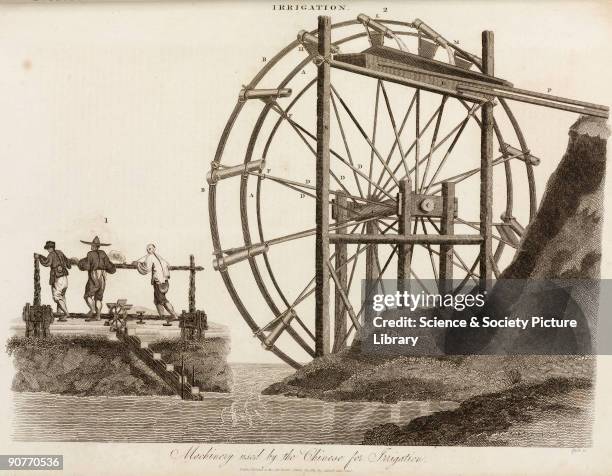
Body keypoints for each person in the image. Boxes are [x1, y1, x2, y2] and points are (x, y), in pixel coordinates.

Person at [134, 243, 179, 326]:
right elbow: (167, 264)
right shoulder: (158, 257)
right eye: (147, 249)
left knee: (162, 299)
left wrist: (137, 264)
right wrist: (138, 261)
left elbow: (146, 268)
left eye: (150, 248)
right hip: (164, 281)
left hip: (158, 281)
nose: (148, 250)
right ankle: (162, 316)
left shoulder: (151, 257)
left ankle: (174, 315)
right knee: (157, 300)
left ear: (154, 249)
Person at [77, 236, 116, 321]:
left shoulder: (90, 254)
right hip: (103, 276)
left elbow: (86, 266)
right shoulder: (103, 253)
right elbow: (109, 265)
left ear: (94, 246)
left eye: (92, 245)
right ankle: (98, 316)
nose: (91, 246)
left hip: (94, 275)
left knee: (87, 295)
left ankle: (92, 310)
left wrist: (80, 263)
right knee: (98, 297)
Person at [35, 240, 71, 321]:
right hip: (65, 277)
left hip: (57, 278)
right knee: (62, 296)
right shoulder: (60, 252)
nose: (47, 250)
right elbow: (67, 261)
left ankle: (66, 313)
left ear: (51, 248)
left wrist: (39, 257)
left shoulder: (51, 255)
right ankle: (60, 313)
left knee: (56, 297)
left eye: (48, 248)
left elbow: (46, 263)